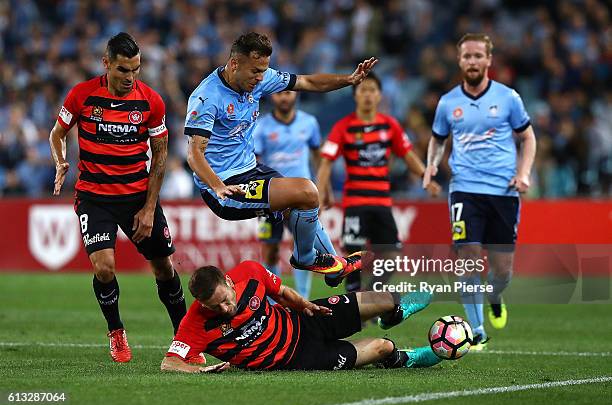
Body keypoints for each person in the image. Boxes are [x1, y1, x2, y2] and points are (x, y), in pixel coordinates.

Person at [184, 32, 377, 285]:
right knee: (307, 192)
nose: (261, 78)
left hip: (252, 170)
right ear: (234, 64)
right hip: (226, 187)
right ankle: (306, 258)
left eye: (264, 70)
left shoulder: (259, 80)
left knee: (299, 205)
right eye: (255, 71)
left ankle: (333, 264)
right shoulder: (206, 97)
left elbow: (308, 83)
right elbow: (194, 154)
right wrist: (218, 186)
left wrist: (349, 80)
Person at [49, 33, 189, 363]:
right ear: (107, 63)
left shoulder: (152, 102)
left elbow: (160, 155)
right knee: (104, 267)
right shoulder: (82, 95)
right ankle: (116, 330)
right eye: (123, 70)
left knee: (164, 268)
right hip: (94, 197)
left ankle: (185, 337)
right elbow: (57, 133)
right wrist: (60, 160)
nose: (130, 78)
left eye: (135, 70)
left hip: (137, 197)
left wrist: (150, 208)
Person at [423, 33, 537, 350]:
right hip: (464, 190)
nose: (472, 61)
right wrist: (431, 165)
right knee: (468, 258)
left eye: (477, 56)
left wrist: (523, 173)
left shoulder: (509, 98)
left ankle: (495, 295)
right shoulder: (448, 103)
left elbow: (528, 138)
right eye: (466, 56)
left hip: (503, 191)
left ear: (488, 60)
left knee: (502, 269)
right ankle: (476, 329)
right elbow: (438, 139)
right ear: (459, 61)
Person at [160, 260, 441, 373]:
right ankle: (401, 359)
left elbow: (281, 292)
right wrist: (198, 370)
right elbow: (169, 362)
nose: (224, 309)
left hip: (304, 319)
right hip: (301, 359)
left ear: (230, 283)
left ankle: (394, 314)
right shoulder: (195, 322)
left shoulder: (249, 272)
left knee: (385, 300)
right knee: (383, 347)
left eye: (224, 300)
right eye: (214, 306)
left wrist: (305, 304)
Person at [317, 72, 441, 291]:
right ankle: (355, 308)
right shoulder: (343, 127)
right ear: (355, 95)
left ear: (379, 95)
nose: (368, 95)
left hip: (382, 202)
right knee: (354, 261)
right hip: (355, 203)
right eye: (363, 90)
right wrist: (321, 194)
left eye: (372, 90)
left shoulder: (389, 125)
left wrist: (426, 177)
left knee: (391, 256)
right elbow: (326, 162)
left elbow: (407, 154)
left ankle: (371, 294)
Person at [253, 90, 321, 298]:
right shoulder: (261, 126)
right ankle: (274, 302)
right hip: (271, 198)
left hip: (301, 198)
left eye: (288, 93)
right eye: (279, 94)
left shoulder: (309, 123)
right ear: (272, 97)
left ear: (296, 95)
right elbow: (254, 163)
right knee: (270, 248)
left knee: (301, 247)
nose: (284, 97)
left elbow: (318, 157)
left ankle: (302, 297)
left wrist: (321, 188)